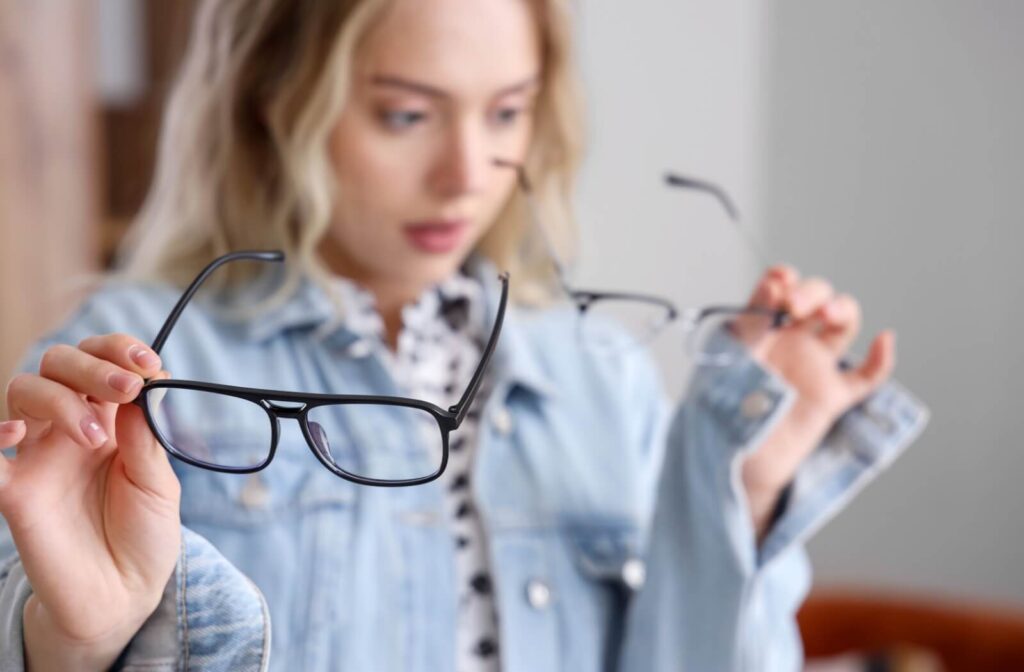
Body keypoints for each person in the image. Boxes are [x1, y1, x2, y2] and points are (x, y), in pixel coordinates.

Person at [0, 0, 928, 670]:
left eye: (507, 112)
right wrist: (75, 644)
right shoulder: (145, 379)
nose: (465, 174)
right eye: (406, 114)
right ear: (276, 104)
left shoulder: (602, 379)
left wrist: (747, 484)